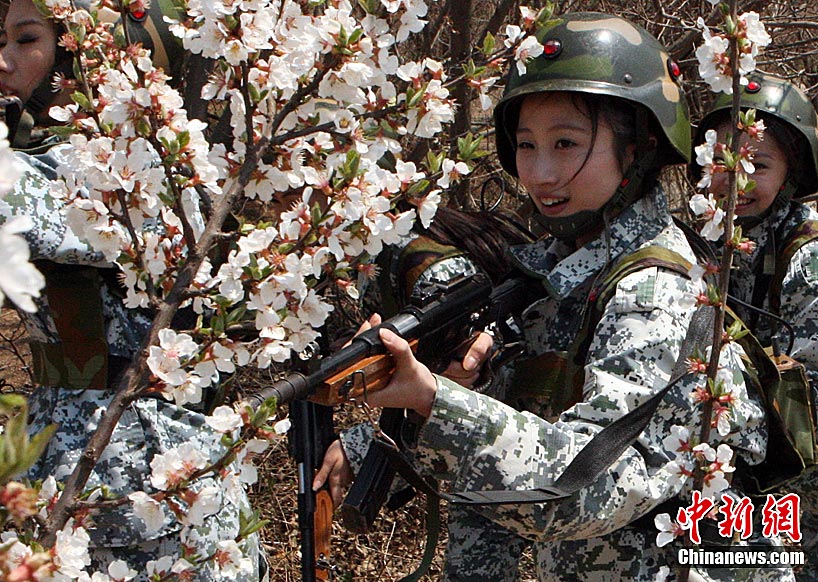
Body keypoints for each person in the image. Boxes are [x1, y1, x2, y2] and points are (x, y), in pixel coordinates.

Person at [316, 12, 785, 580]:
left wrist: (433, 399)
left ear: (635, 150)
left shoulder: (656, 289)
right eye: (525, 144)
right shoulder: (560, 272)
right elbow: (530, 415)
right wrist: (410, 415)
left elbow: (587, 486)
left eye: (566, 143)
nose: (539, 172)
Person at [0, 1, 265, 579]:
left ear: (93, 54)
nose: (0, 61)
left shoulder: (117, 172)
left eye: (27, 40)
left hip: (139, 485)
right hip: (84, 465)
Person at [692, 73, 818, 581]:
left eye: (755, 166)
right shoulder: (704, 241)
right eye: (721, 165)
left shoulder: (804, 258)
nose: (733, 182)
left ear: (789, 176)